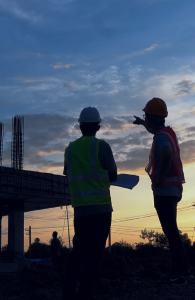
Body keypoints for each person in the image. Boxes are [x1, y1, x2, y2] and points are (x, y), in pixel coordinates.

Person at [62, 107, 118, 300]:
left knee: (78, 250)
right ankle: (85, 292)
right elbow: (113, 175)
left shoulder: (69, 149)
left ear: (80, 126)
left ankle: (68, 292)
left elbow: (68, 173)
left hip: (80, 210)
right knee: (95, 253)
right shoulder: (102, 146)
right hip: (101, 208)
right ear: (98, 126)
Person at [133, 97, 188, 285]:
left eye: (145, 117)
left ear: (150, 117)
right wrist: (142, 124)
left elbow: (166, 153)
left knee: (171, 232)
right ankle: (183, 270)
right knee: (173, 231)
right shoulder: (167, 132)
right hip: (173, 189)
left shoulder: (161, 137)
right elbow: (154, 130)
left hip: (164, 190)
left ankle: (178, 274)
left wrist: (161, 177)